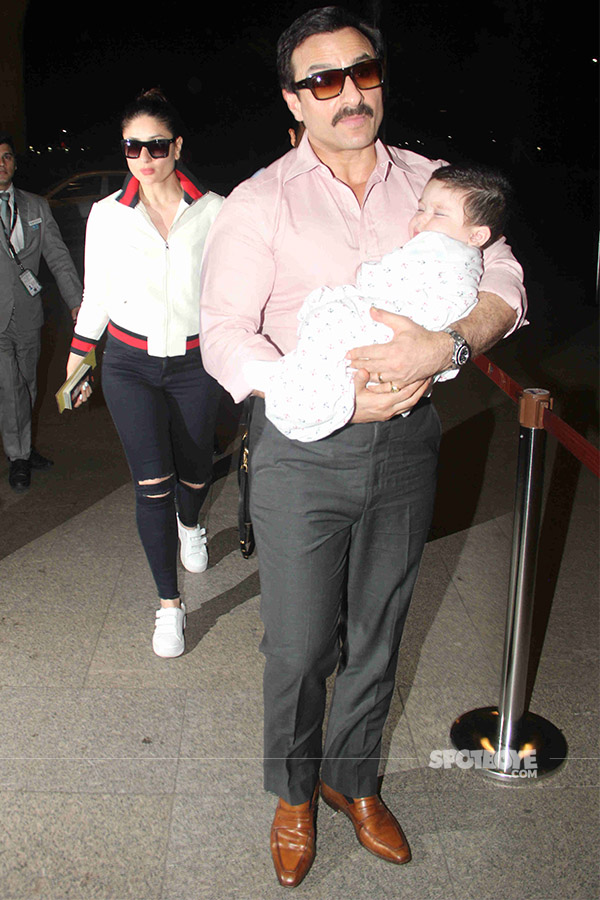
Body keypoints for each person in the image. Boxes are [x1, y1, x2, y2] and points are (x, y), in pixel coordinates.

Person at [200, 7, 526, 888]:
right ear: (293, 100)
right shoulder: (260, 201)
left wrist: (448, 348)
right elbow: (225, 334)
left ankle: (354, 782)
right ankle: (296, 793)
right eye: (323, 80)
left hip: (411, 445)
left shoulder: (434, 180)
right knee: (302, 646)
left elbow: (503, 280)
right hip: (302, 454)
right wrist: (321, 393)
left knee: (379, 633)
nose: (350, 93)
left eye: (363, 71)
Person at [66, 89, 223, 659]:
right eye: (133, 146)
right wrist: (79, 357)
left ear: (178, 147)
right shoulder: (107, 215)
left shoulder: (215, 211)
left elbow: (232, 291)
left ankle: (192, 522)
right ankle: (169, 606)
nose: (145, 157)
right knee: (150, 483)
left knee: (197, 469)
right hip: (129, 365)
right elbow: (96, 295)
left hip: (196, 364)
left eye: (157, 144)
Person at [249, 164, 510, 441]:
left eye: (438, 213)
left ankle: (304, 399)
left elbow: (383, 278)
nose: (421, 221)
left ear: (479, 235)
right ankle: (310, 397)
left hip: (405, 328)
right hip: (407, 348)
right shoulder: (263, 193)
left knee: (331, 326)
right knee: (340, 347)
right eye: (420, 209)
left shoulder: (438, 243)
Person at [0, 133, 82, 492]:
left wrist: (77, 301)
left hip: (29, 314)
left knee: (29, 386)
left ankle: (25, 445)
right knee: (11, 386)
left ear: (15, 163)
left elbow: (58, 257)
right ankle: (18, 457)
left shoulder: (35, 207)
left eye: (5, 157)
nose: (0, 163)